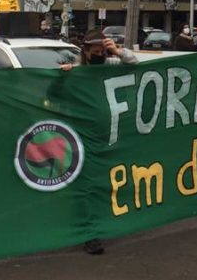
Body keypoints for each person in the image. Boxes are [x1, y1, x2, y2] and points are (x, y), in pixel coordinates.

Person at [65, 29, 137, 254]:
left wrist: (117, 50)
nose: (99, 53)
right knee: (87, 186)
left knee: (110, 182)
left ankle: (106, 223)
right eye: (94, 49)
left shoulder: (112, 65)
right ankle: (90, 234)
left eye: (102, 49)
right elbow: (54, 93)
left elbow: (134, 64)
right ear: (85, 50)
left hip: (110, 136)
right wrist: (63, 75)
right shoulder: (75, 71)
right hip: (84, 136)